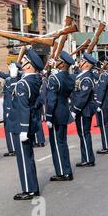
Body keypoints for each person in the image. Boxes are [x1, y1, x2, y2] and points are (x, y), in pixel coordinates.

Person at [8, 48, 44, 200]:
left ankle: (29, 190)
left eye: (24, 61)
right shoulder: (34, 80)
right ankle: (32, 187)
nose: (21, 62)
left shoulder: (24, 83)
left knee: (24, 158)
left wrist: (23, 129)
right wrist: (14, 78)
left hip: (22, 124)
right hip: (30, 122)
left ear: (29, 66)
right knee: (27, 157)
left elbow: (23, 106)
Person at [45, 51, 75, 182]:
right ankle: (66, 170)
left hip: (56, 114)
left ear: (62, 64)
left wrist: (49, 116)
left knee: (57, 144)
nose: (55, 61)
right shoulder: (69, 78)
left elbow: (51, 100)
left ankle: (63, 172)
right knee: (62, 142)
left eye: (58, 60)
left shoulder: (55, 78)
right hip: (64, 111)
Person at [0, 61, 22, 157]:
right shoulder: (10, 77)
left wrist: (9, 109)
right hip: (8, 106)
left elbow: (12, 96)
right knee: (8, 127)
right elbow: (1, 74)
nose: (10, 68)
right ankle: (12, 148)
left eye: (12, 67)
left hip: (11, 107)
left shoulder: (17, 79)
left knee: (10, 127)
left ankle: (14, 149)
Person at [71, 52, 98, 168]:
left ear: (87, 64)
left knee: (84, 134)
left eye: (82, 61)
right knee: (83, 134)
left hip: (83, 110)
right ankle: (86, 157)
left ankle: (87, 159)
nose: (80, 62)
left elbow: (83, 96)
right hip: (83, 110)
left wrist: (74, 110)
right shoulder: (82, 75)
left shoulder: (87, 78)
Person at [94, 55, 108, 154]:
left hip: (103, 103)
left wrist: (98, 104)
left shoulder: (105, 75)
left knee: (104, 125)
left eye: (104, 63)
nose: (103, 64)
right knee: (107, 124)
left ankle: (107, 147)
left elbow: (102, 90)